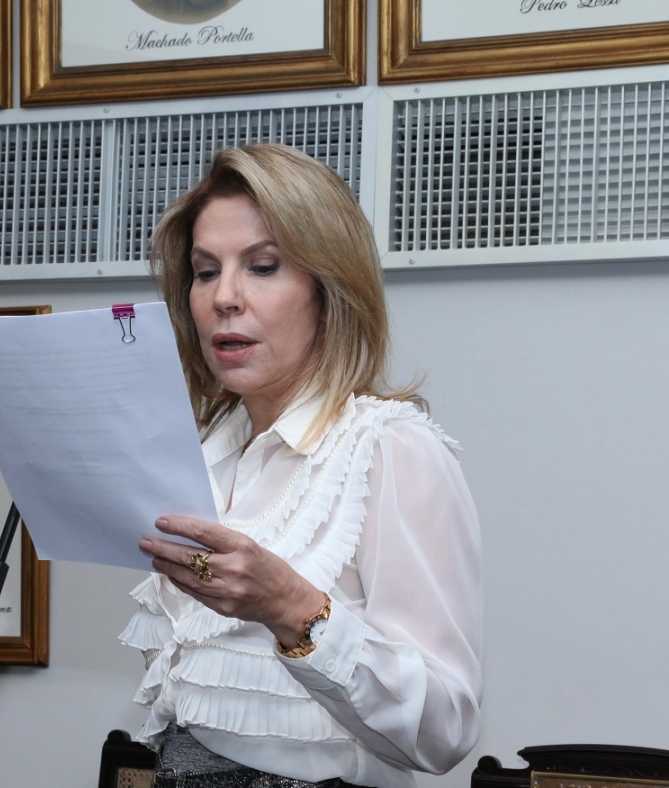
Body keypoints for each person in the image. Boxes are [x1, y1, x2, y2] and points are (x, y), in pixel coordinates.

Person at [120, 144, 483, 788]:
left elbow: (446, 729)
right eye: (205, 272)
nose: (224, 297)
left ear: (328, 289)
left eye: (262, 267)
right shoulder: (205, 453)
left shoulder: (392, 449)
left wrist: (290, 605)